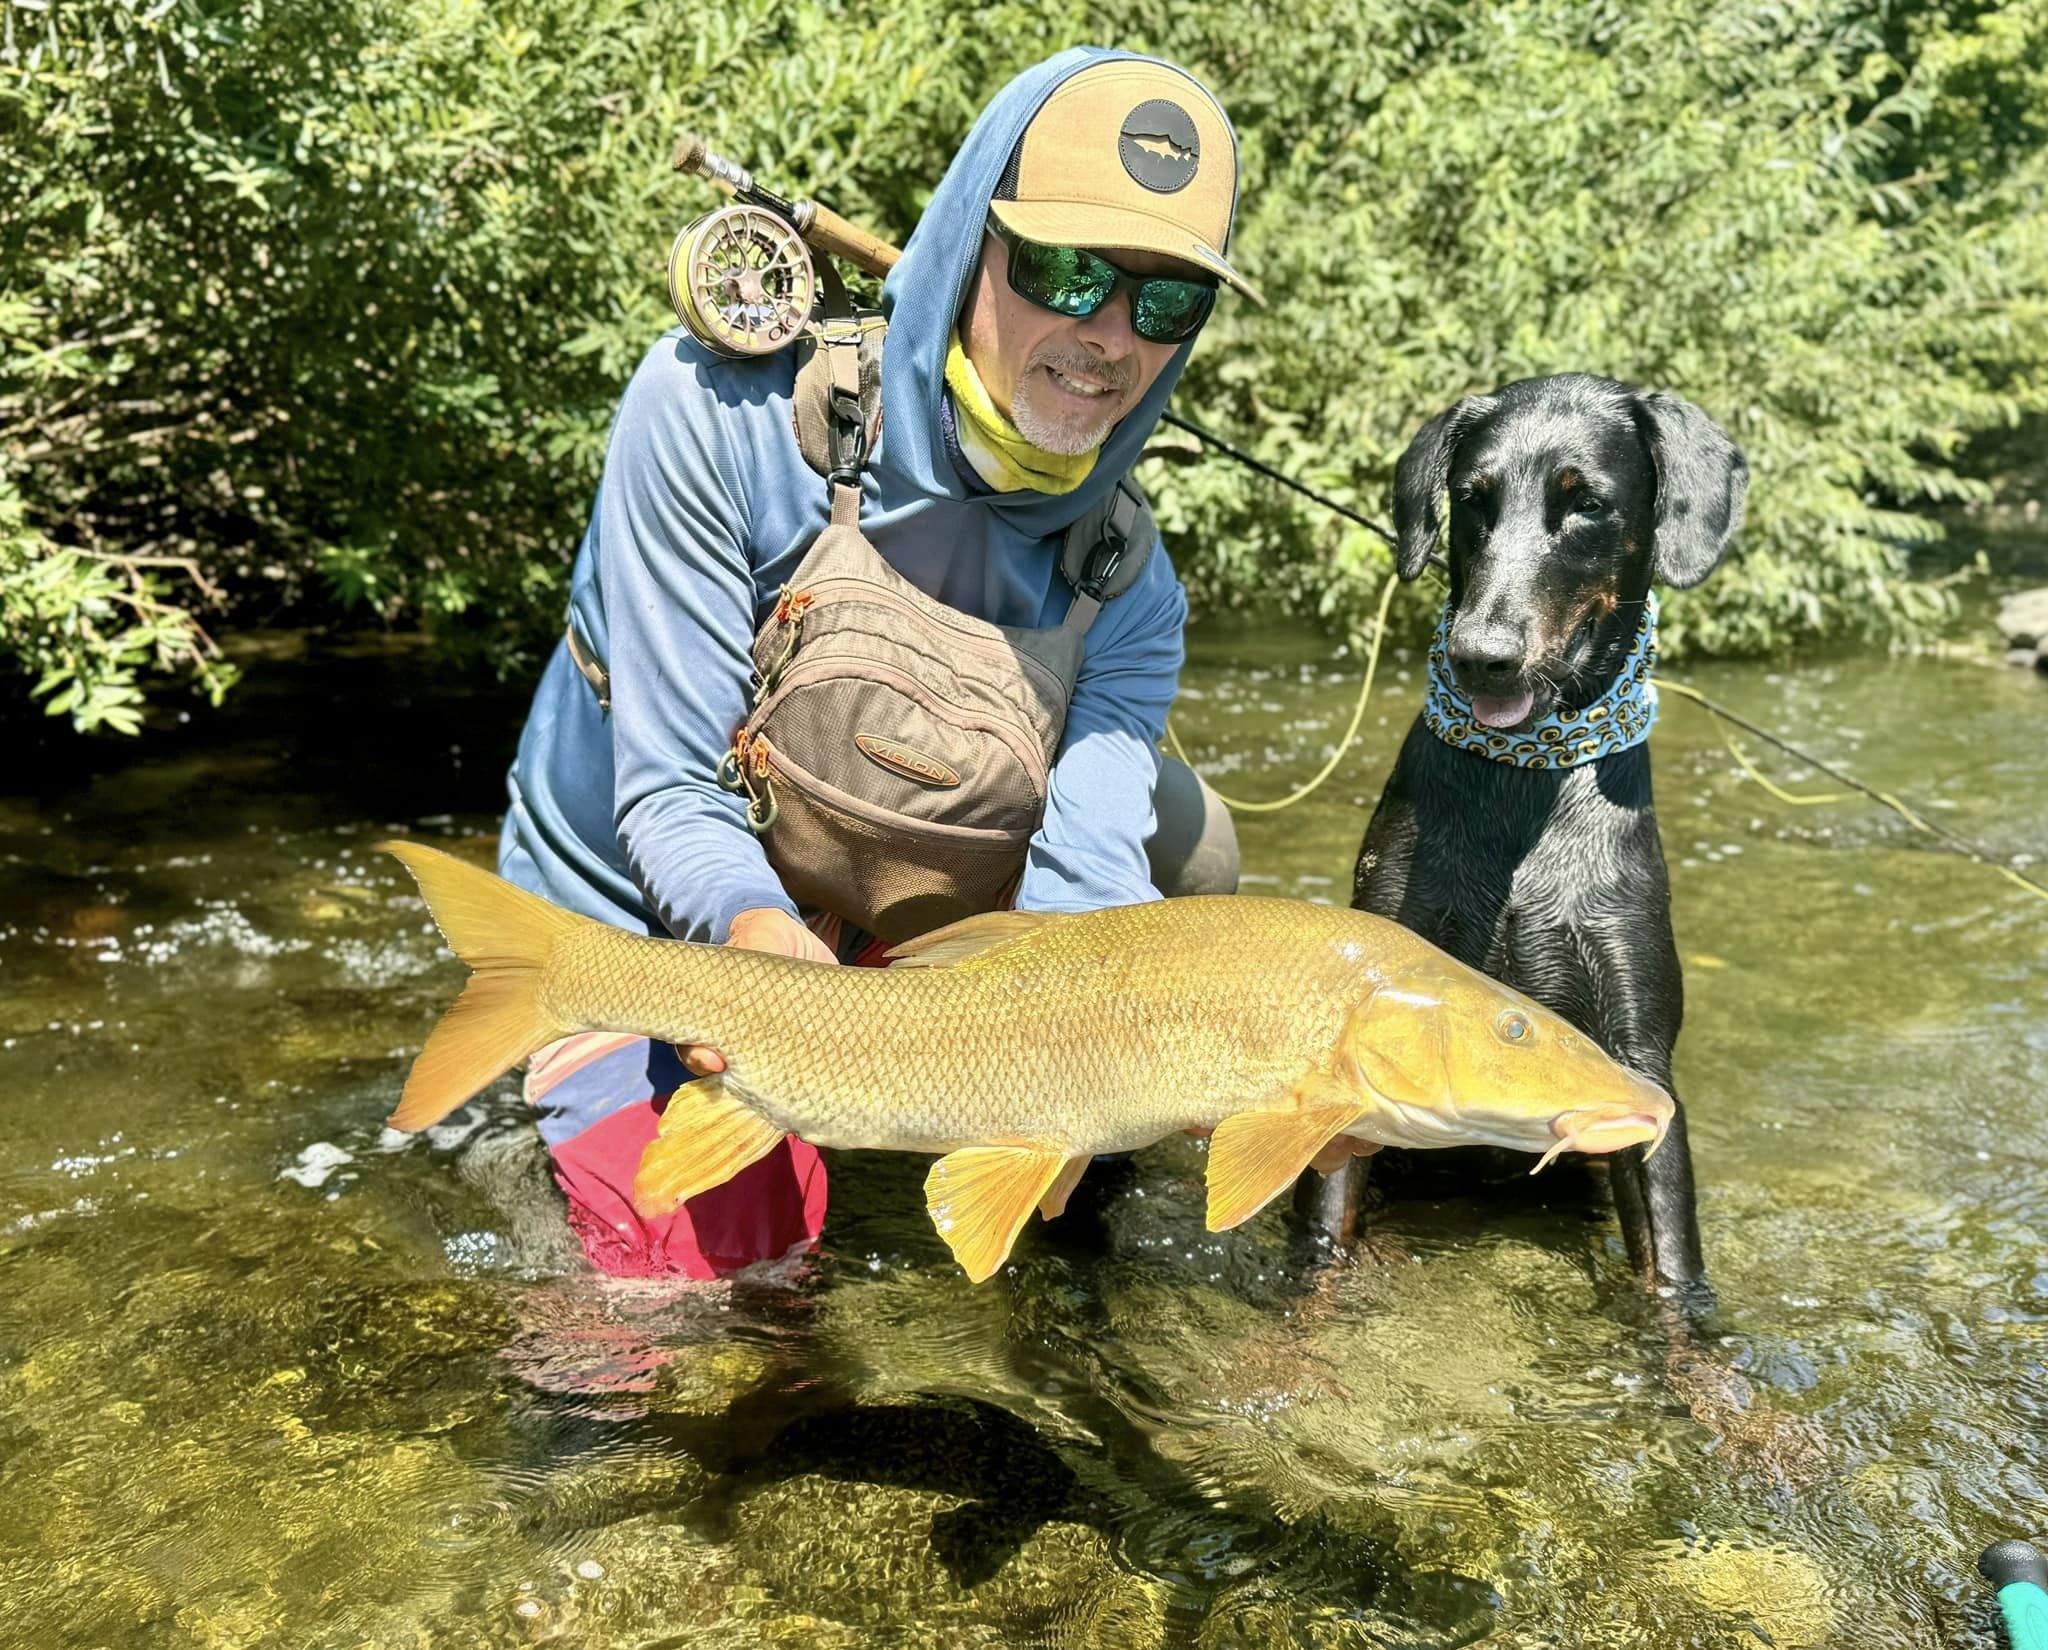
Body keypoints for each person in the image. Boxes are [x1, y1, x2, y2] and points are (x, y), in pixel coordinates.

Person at [496, 47, 1258, 1278]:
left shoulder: (1127, 578)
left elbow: (1081, 891)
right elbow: (673, 797)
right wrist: (769, 981)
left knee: (1193, 849)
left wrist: (1090, 1083)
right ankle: (562, 1051)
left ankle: (1022, 1143)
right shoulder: (715, 413)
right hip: (638, 907)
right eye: (1064, 271)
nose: (1107, 336)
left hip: (878, 912)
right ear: (970, 246)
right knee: (714, 1302)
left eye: (1164, 303)